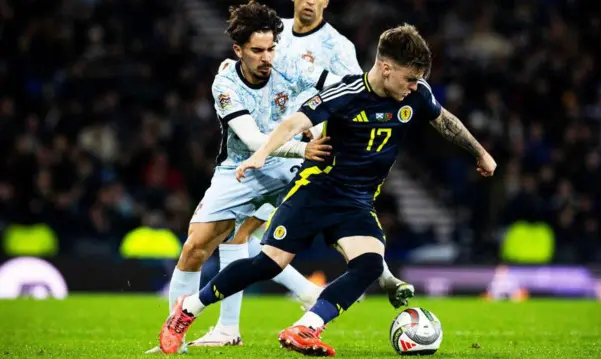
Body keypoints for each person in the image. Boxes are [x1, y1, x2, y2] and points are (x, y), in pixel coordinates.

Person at [158, 23, 497, 355]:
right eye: (409, 78)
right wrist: (261, 154)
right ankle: (189, 308)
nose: (413, 87)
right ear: (385, 67)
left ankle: (306, 327)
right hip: (316, 191)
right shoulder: (347, 94)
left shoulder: (416, 94)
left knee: (368, 264)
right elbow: (294, 123)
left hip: (357, 201)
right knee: (269, 263)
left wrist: (480, 153)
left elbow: (445, 120)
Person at [189, 0, 415, 348]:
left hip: (310, 149)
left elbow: (359, 92)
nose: (309, 1)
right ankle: (240, 320)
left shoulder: (338, 46)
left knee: (250, 237)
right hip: (264, 146)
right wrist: (231, 71)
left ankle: (236, 322)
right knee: (231, 239)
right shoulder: (274, 31)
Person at [145, 1, 339, 354]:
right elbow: (251, 141)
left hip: (291, 167)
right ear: (238, 50)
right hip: (242, 165)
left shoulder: (291, 66)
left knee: (247, 239)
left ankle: (372, 276)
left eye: (270, 49)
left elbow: (340, 91)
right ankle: (177, 339)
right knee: (195, 247)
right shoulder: (225, 84)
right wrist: (302, 149)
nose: (267, 57)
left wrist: (320, 129)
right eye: (257, 51)